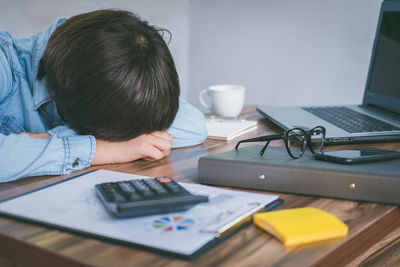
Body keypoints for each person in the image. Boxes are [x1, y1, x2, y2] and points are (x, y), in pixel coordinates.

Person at [0, 9, 207, 182]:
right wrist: (101, 150)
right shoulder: (5, 65)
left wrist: (48, 139)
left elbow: (194, 126)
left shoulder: (112, 63)